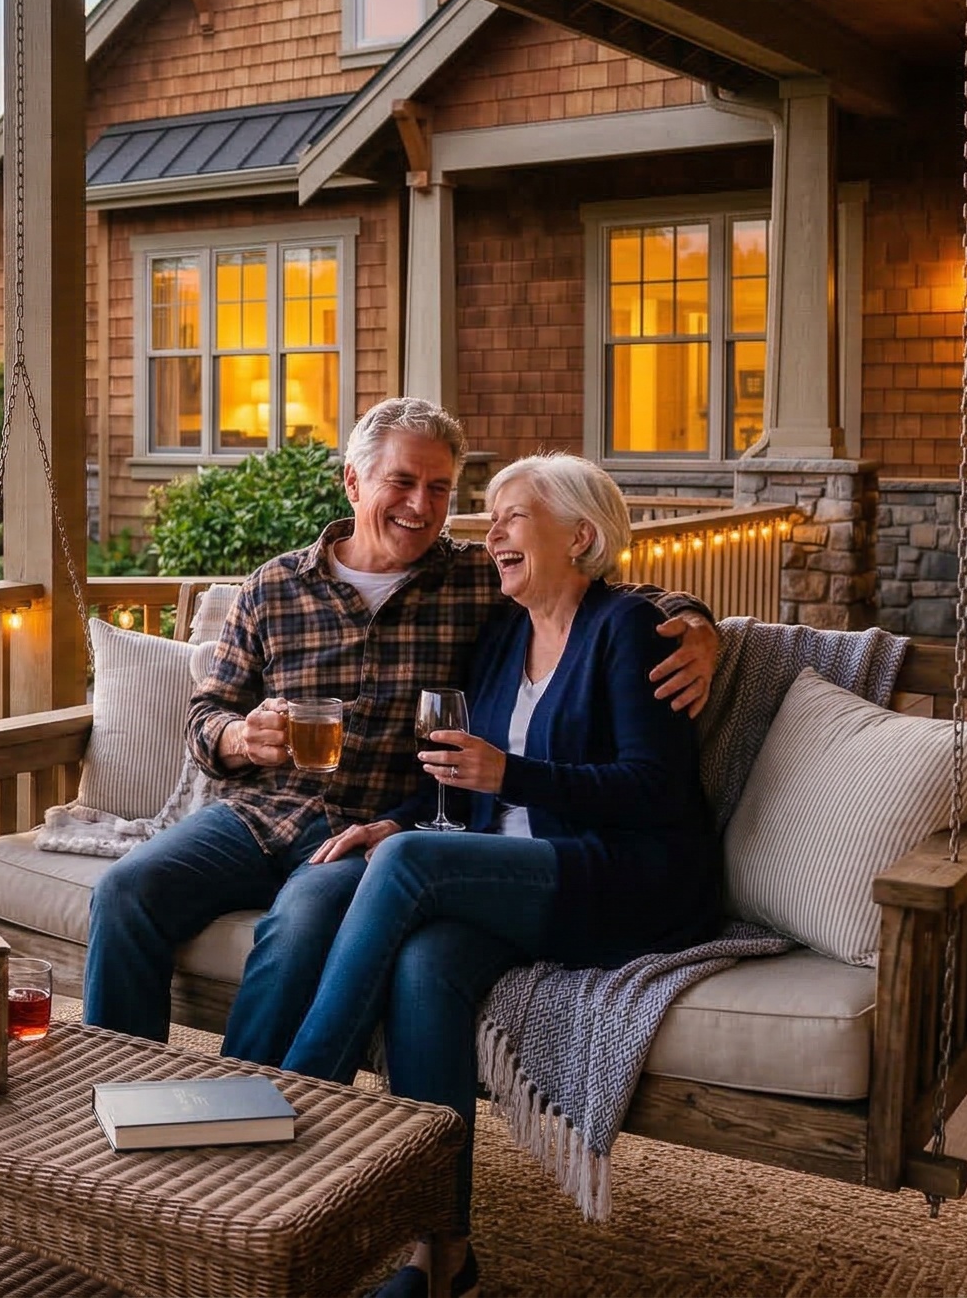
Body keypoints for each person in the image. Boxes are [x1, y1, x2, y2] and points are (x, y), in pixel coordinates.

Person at [228, 452, 719, 1298]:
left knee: (411, 863)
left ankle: (296, 1096)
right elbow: (457, 775)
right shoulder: (502, 636)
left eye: (513, 516)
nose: (489, 532)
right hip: (516, 876)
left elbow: (655, 790)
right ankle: (442, 1252)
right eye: (489, 517)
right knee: (424, 966)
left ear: (583, 536)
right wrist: (396, 818)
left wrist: (510, 779)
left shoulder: (628, 629)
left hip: (623, 882)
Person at [81, 401, 717, 1046]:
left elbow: (599, 593)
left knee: (299, 928)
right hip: (258, 814)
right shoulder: (273, 586)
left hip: (377, 830)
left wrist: (697, 626)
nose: (421, 504)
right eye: (403, 482)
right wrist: (240, 737)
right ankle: (118, 1090)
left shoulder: (476, 580)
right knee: (128, 890)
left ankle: (250, 1110)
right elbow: (206, 714)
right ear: (354, 484)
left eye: (438, 488)